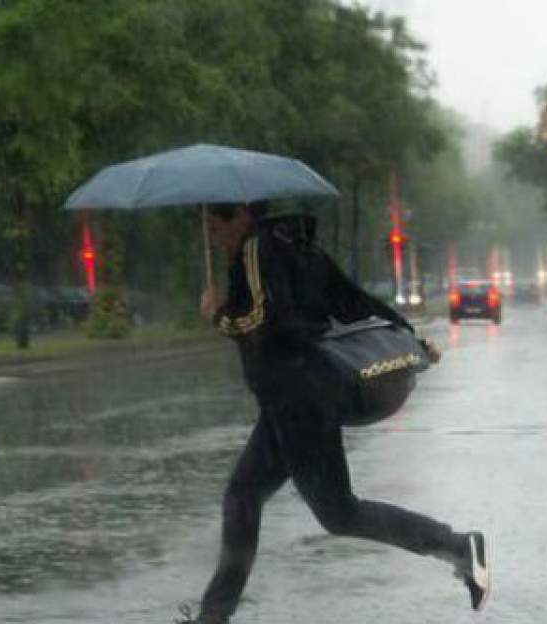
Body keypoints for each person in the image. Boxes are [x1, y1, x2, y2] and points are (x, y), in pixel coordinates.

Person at [178, 203, 489, 623]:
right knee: (243, 497)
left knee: (339, 512)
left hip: (298, 400)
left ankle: (458, 546)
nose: (210, 231)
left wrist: (219, 313)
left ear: (240, 217)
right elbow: (352, 301)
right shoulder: (298, 246)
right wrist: (410, 336)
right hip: (292, 401)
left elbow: (267, 321)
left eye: (214, 221)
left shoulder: (255, 251)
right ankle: (213, 617)